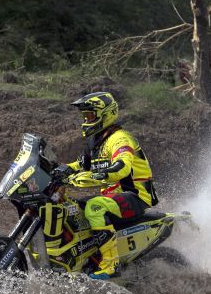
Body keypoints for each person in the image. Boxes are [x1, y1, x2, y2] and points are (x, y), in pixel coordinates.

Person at [51, 92, 159, 280]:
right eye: (85, 116)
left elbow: (122, 166)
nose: (86, 119)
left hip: (135, 196)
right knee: (73, 209)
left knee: (94, 207)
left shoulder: (120, 138)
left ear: (105, 114)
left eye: (90, 115)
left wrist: (96, 175)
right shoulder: (96, 141)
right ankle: (84, 259)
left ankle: (111, 264)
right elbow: (80, 165)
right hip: (113, 198)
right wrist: (58, 170)